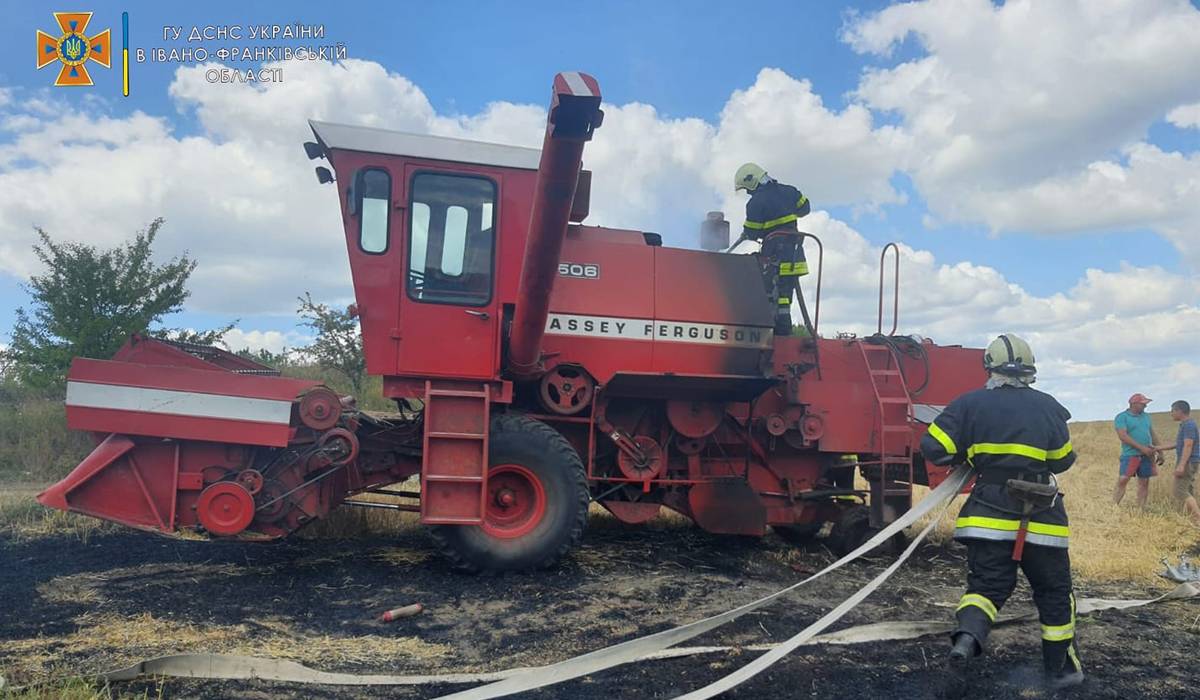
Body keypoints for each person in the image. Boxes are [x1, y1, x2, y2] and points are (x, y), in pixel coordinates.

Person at [919, 333, 1083, 690]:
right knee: (1054, 592)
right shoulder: (1049, 406)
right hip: (1042, 517)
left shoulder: (968, 404)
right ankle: (1060, 671)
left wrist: (967, 455)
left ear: (989, 368)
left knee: (986, 587)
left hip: (987, 514)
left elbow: (933, 447)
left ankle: (966, 641)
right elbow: (1062, 460)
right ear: (1030, 369)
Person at [733, 163, 811, 335]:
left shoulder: (755, 203)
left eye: (747, 189)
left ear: (752, 181)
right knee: (785, 291)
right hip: (794, 255)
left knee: (770, 292)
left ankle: (775, 326)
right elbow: (805, 208)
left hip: (774, 256)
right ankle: (784, 325)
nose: (748, 192)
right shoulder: (790, 192)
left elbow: (752, 231)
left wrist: (747, 233)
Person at [1154, 400, 1200, 526]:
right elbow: (1179, 444)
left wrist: (1181, 465)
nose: (1171, 413)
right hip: (1189, 461)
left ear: (1180, 411)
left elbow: (1188, 445)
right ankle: (1194, 520)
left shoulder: (1189, 425)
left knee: (1179, 490)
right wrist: (1159, 448)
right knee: (1187, 489)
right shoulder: (1185, 425)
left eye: (1173, 410)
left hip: (1188, 462)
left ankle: (1198, 519)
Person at [1113, 393, 1162, 509]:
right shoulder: (1122, 417)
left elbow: (1152, 434)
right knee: (1123, 479)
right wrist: (1142, 448)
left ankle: (1141, 509)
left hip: (1147, 455)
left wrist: (1160, 451)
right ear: (1133, 404)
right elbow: (1123, 436)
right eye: (1143, 404)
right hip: (1130, 454)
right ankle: (1114, 506)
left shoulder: (1146, 416)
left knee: (1144, 482)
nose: (1145, 407)